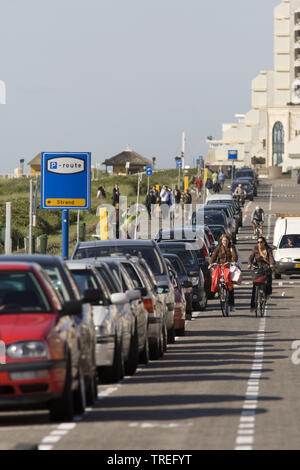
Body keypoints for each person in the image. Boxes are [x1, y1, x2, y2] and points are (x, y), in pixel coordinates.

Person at [209, 234, 238, 311]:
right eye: (223, 240)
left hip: (229, 267)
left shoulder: (232, 247)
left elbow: (235, 256)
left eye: (226, 240)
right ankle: (217, 289)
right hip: (221, 266)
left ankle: (231, 305)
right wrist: (211, 263)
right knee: (215, 276)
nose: (225, 242)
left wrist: (233, 262)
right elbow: (214, 256)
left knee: (229, 284)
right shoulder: (219, 247)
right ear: (221, 241)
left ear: (229, 241)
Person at [248, 236, 275, 310]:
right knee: (255, 285)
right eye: (258, 242)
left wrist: (271, 264)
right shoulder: (255, 249)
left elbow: (271, 257)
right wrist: (249, 263)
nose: (259, 243)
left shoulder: (268, 249)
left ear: (264, 242)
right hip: (258, 266)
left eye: (261, 242)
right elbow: (251, 257)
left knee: (269, 280)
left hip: (266, 266)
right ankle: (253, 306)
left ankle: (267, 293)